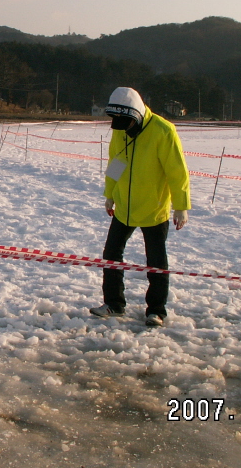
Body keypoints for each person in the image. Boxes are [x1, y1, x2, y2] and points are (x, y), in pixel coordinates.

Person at [90, 87, 191, 327]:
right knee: (111, 255)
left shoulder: (163, 131)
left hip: (154, 208)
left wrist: (181, 206)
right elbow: (116, 162)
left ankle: (156, 310)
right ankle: (114, 304)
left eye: (125, 122)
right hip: (124, 205)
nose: (121, 126)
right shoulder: (121, 130)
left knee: (156, 261)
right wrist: (110, 194)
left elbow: (177, 172)